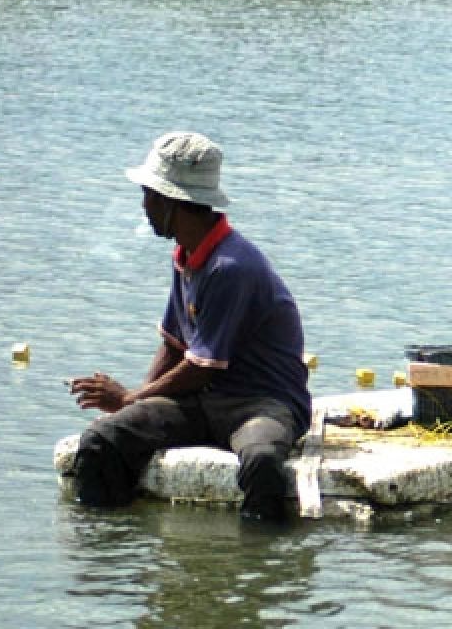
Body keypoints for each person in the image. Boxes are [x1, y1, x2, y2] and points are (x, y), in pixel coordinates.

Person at [69, 131, 311, 522]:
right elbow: (174, 345)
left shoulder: (231, 267)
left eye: (149, 196)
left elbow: (200, 367)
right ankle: (113, 550)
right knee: (103, 440)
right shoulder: (187, 255)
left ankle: (260, 568)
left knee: (262, 461)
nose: (145, 206)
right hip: (203, 404)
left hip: (262, 402)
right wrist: (137, 404)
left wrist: (129, 399)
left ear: (172, 203)